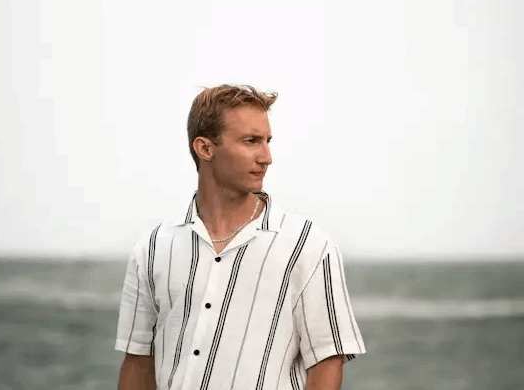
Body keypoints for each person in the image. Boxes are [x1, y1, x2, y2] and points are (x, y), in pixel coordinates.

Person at [115, 84, 366, 390]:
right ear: (205, 149)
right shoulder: (153, 248)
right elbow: (138, 361)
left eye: (267, 141)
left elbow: (327, 360)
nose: (267, 157)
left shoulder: (307, 245)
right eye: (251, 141)